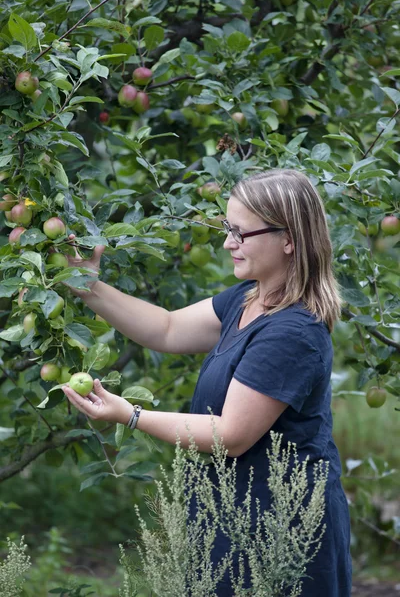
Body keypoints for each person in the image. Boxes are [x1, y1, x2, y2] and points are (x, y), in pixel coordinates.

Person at [62, 169, 352, 596]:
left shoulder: (292, 332)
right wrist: (87, 286)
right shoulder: (248, 299)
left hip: (280, 527)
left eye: (240, 232)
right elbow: (166, 329)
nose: (227, 243)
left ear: (288, 239)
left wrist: (130, 414)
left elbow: (230, 435)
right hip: (235, 513)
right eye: (227, 228)